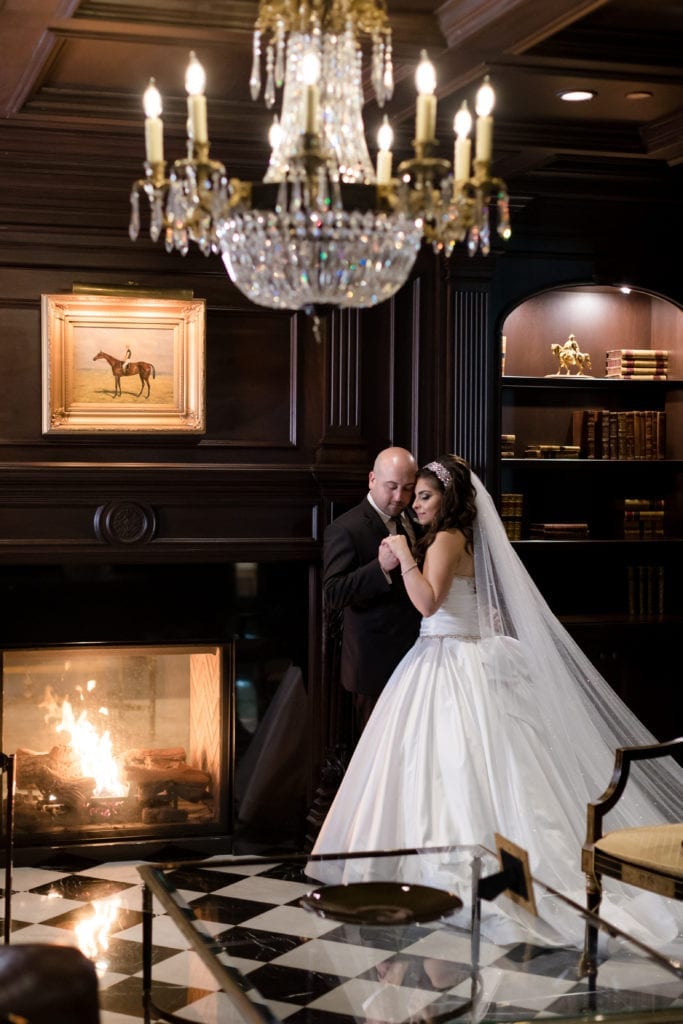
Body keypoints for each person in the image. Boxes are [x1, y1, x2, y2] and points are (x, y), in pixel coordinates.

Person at [310, 454, 682, 949]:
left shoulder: (445, 538)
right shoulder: (460, 537)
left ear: (448, 499)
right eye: (410, 494)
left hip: (449, 659)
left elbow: (426, 603)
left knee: (456, 771)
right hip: (445, 655)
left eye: (423, 496)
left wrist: (402, 554)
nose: (413, 504)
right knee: (466, 769)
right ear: (373, 479)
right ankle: (487, 873)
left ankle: (478, 880)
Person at [323, 446, 422, 742]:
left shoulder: (414, 519)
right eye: (392, 487)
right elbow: (334, 592)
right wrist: (379, 567)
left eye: (408, 488)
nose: (399, 498)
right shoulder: (344, 528)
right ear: (372, 480)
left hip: (416, 657)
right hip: (374, 666)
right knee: (378, 757)